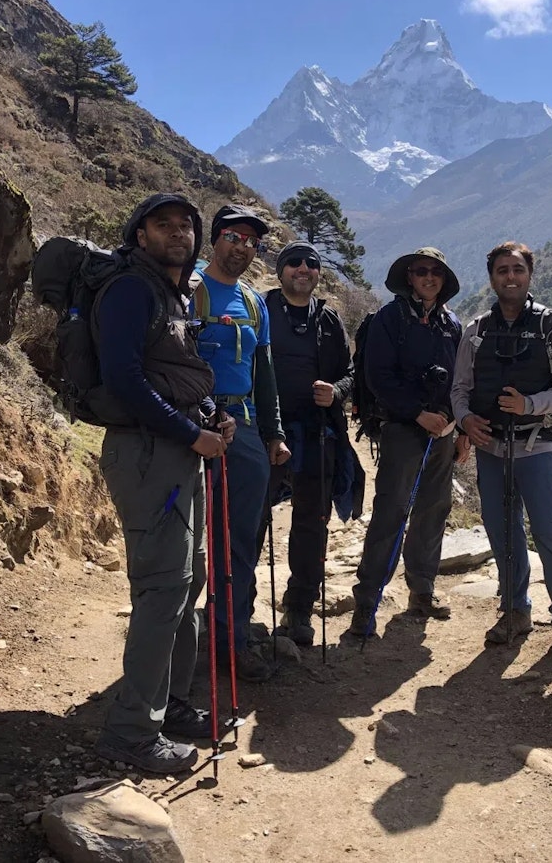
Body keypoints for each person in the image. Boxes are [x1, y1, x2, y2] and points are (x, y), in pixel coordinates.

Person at [92, 193, 234, 774]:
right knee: (163, 587)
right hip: (149, 454)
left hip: (176, 451)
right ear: (140, 234)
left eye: (186, 225)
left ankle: (169, 704)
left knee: (188, 578)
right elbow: (124, 380)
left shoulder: (170, 295)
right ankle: (131, 732)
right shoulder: (131, 290)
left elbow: (170, 374)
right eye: (162, 224)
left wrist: (210, 418)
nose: (177, 233)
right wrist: (188, 431)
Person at [451, 241, 552, 653]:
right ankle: (515, 610)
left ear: (529, 274)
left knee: (549, 531)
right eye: (502, 271)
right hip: (491, 447)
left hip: (537, 443)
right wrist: (464, 419)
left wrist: (530, 405)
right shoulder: (475, 331)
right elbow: (460, 388)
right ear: (491, 277)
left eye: (517, 269)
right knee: (503, 532)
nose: (510, 277)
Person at [193, 204, 290, 682]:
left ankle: (232, 636)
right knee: (189, 539)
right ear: (215, 239)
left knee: (243, 537)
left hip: (246, 428)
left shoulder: (254, 304)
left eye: (252, 241)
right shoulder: (189, 289)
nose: (243, 247)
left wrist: (274, 433)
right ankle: (179, 639)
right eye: (234, 236)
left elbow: (264, 374)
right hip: (191, 425)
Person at [350, 247, 469, 637]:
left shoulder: (451, 324)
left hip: (444, 432)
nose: (429, 278)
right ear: (410, 277)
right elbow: (377, 377)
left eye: (436, 272)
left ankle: (422, 591)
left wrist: (461, 428)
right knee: (392, 511)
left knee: (433, 509)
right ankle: (366, 601)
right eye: (422, 271)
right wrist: (418, 413)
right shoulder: (390, 318)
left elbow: (462, 380)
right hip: (404, 429)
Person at [259, 241, 364, 645]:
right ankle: (237, 612)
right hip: (265, 432)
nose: (303, 269)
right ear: (281, 270)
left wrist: (336, 391)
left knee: (311, 524)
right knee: (252, 521)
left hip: (318, 434)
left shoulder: (329, 319)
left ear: (318, 273)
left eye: (311, 264)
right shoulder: (261, 310)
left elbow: (350, 373)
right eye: (294, 264)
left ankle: (299, 609)